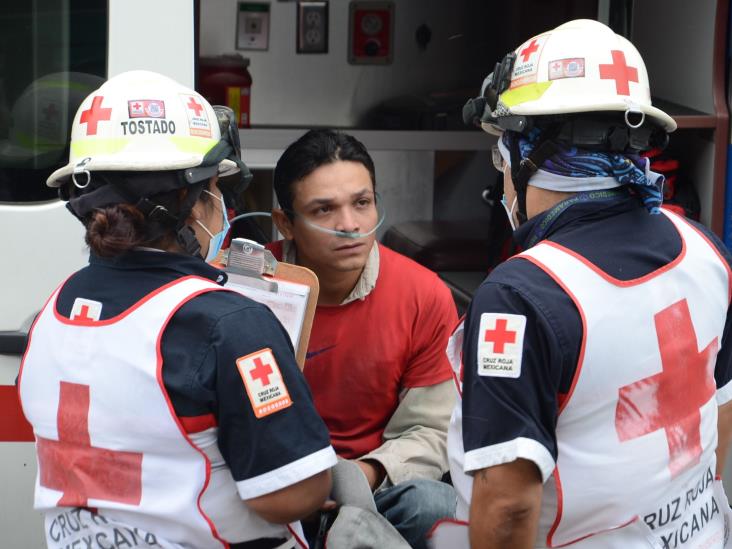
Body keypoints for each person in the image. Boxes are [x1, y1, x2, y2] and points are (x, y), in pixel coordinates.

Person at [439, 19, 732, 549]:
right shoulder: (705, 249)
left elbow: (507, 507)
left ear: (523, 154)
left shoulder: (520, 295)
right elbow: (722, 415)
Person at [17, 70, 336, 549]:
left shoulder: (54, 309)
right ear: (191, 202)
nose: (222, 206)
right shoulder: (228, 322)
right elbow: (290, 494)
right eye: (215, 189)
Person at [268, 129, 459, 548]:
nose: (350, 226)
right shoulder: (250, 287)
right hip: (267, 482)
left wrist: (361, 476)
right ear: (286, 224)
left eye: (362, 203)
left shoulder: (423, 295)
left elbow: (433, 429)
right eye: (324, 210)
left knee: (436, 505)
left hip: (373, 484)